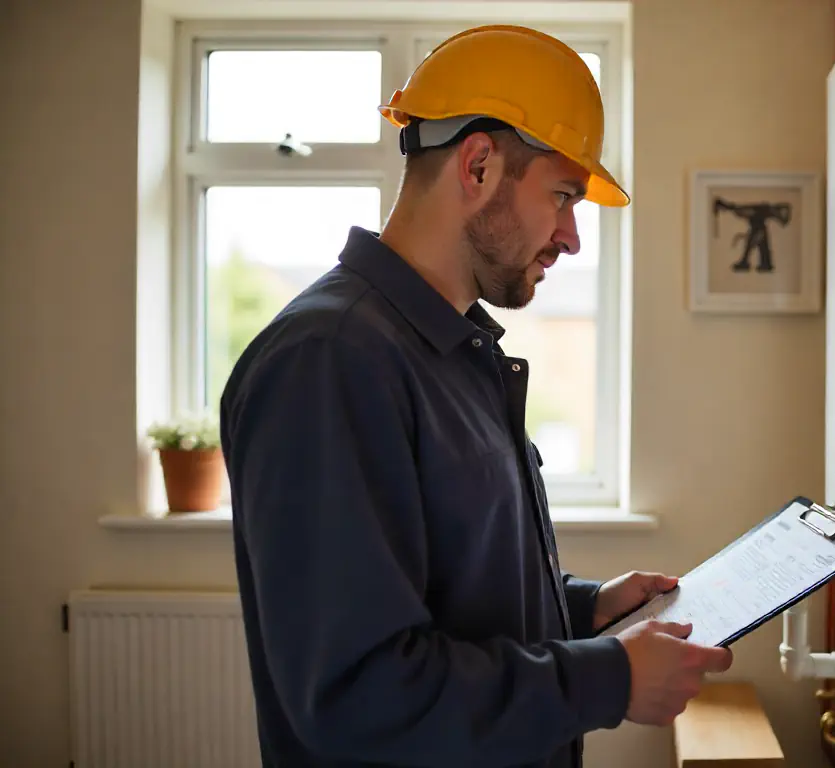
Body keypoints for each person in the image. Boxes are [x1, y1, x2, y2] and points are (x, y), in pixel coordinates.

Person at [220, 24, 733, 768]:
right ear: (480, 164)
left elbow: (448, 587)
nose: (571, 237)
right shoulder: (329, 361)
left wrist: (582, 608)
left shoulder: (453, 351)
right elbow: (358, 692)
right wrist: (607, 678)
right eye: (562, 195)